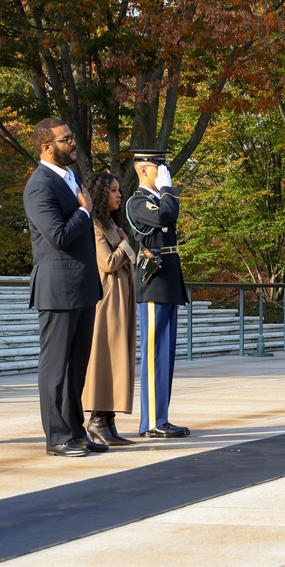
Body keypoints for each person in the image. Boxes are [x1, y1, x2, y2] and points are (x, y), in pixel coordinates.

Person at [23, 118, 104, 457]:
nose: (73, 143)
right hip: (57, 287)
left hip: (83, 284)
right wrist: (85, 212)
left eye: (71, 137)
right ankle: (56, 436)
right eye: (66, 139)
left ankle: (75, 431)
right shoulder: (39, 186)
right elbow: (56, 236)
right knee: (56, 365)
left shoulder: (72, 177)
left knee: (76, 366)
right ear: (46, 147)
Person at [125, 149, 190, 438]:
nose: (163, 172)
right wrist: (167, 189)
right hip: (152, 281)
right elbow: (167, 214)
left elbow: (169, 215)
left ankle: (161, 417)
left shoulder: (156, 199)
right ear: (143, 170)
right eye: (158, 168)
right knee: (154, 354)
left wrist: (165, 191)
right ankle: (151, 421)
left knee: (165, 355)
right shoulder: (137, 202)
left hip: (168, 279)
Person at [81, 172, 137, 446]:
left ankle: (110, 419)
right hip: (107, 299)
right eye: (114, 191)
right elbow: (106, 262)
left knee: (120, 357)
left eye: (119, 190)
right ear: (102, 194)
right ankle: (97, 421)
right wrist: (126, 246)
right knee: (106, 357)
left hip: (122, 297)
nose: (119, 195)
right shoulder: (94, 224)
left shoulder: (111, 224)